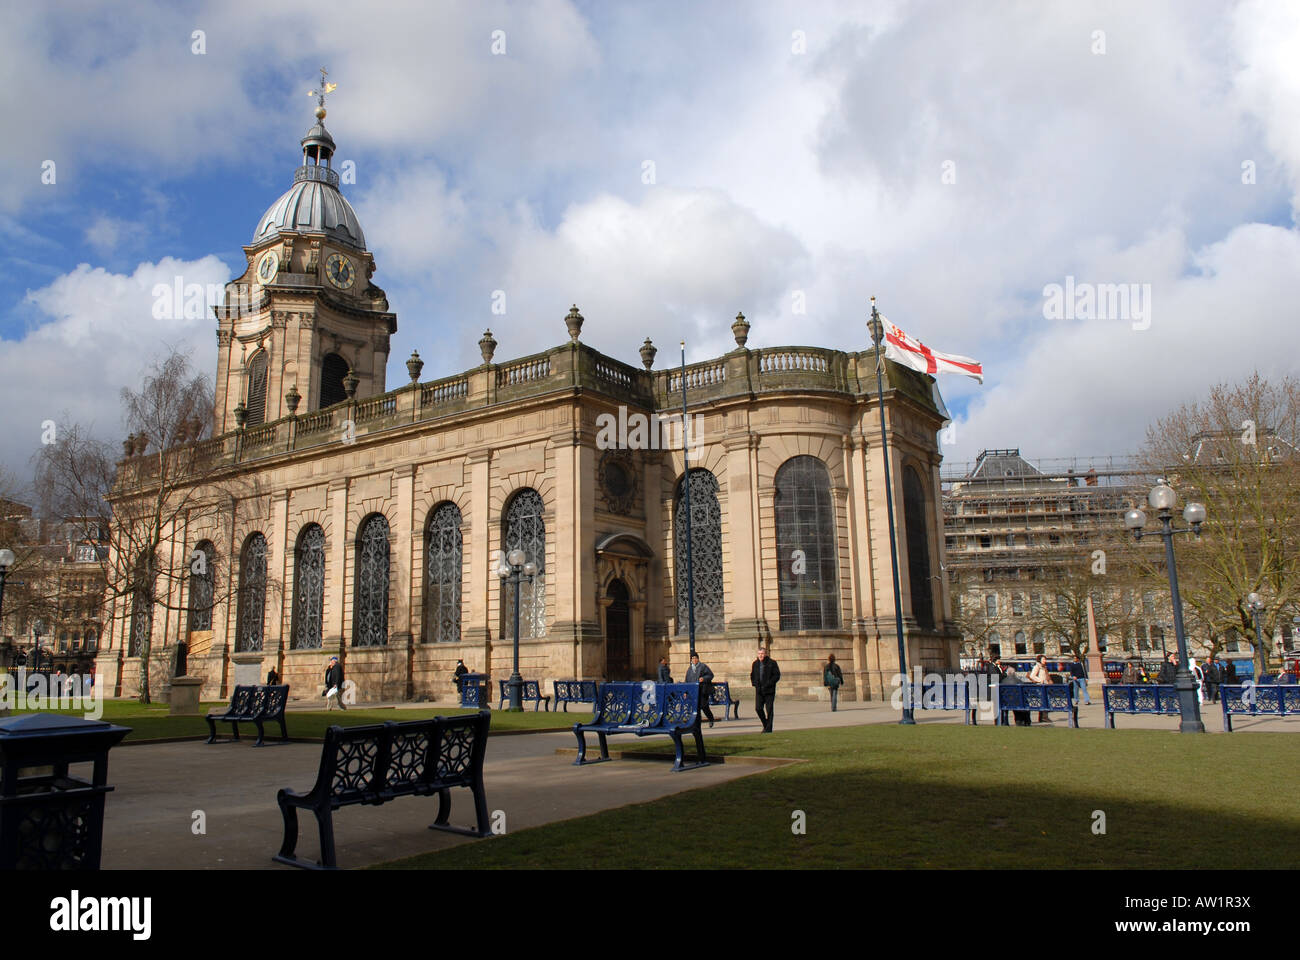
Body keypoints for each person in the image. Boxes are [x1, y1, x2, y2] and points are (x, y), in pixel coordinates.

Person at [750, 646, 781, 732]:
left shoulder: (772, 663)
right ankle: (766, 724)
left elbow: (777, 675)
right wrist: (754, 683)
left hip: (769, 690)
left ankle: (768, 729)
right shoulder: (755, 664)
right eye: (759, 654)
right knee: (758, 708)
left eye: (762, 654)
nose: (761, 656)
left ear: (765, 654)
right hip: (759, 690)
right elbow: (752, 675)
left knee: (769, 709)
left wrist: (769, 683)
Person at [684, 653, 714, 726]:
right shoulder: (690, 669)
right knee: (696, 707)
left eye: (695, 658)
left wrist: (703, 678)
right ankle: (697, 723)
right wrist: (685, 692)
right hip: (693, 692)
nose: (694, 660)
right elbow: (687, 681)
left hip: (702, 690)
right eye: (692, 658)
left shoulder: (703, 666)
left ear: (698, 659)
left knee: (704, 706)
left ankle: (710, 718)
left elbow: (711, 675)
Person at [1029, 654, 1051, 722]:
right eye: (1043, 659)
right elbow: (1032, 676)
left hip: (1045, 685)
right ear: (1040, 660)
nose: (1045, 660)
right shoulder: (1037, 667)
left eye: (1045, 659)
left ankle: (1042, 717)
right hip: (1041, 686)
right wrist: (1040, 680)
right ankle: (1044, 717)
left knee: (1044, 700)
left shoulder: (1044, 667)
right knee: (1044, 700)